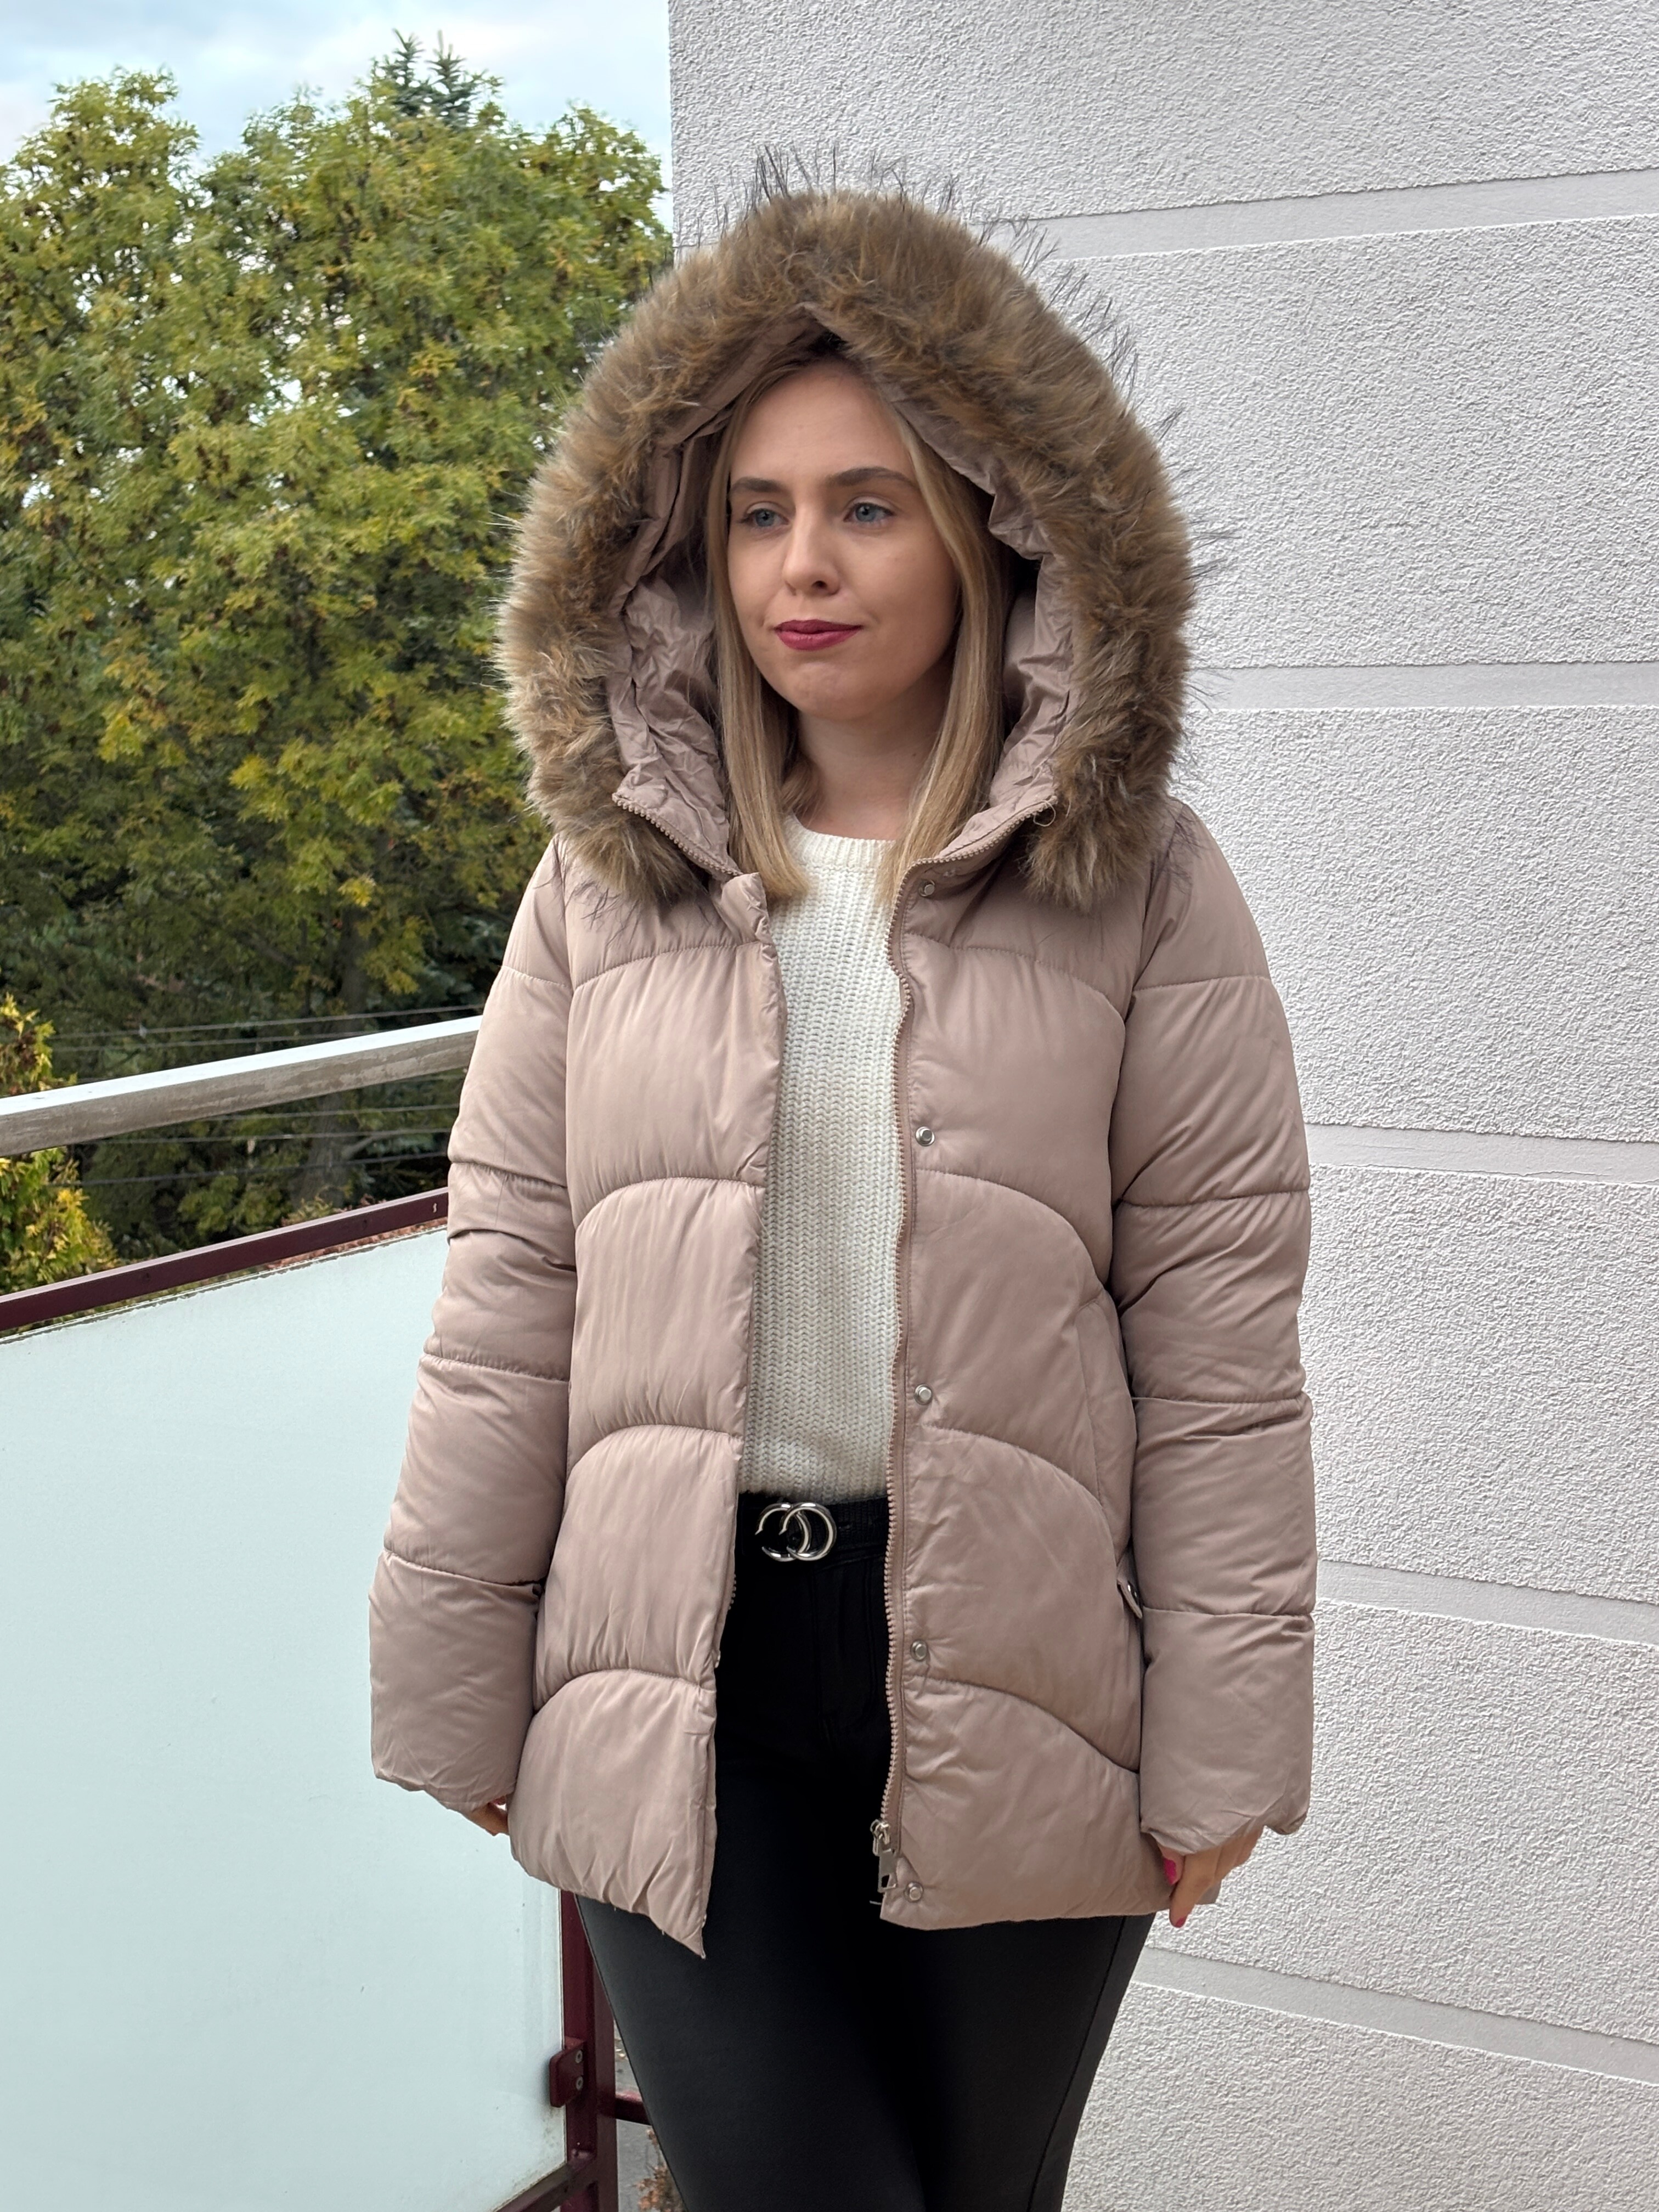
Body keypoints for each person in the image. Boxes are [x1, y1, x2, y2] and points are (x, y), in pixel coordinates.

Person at [370, 184, 1316, 2212]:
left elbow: (1217, 1344)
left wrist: (1226, 1735)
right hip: (674, 1666)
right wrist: (455, 1667)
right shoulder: (604, 886)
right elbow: (511, 1291)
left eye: (869, 506)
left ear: (990, 534)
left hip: (1018, 1665)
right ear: (688, 552)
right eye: (757, 512)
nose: (803, 564)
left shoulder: (1144, 887)